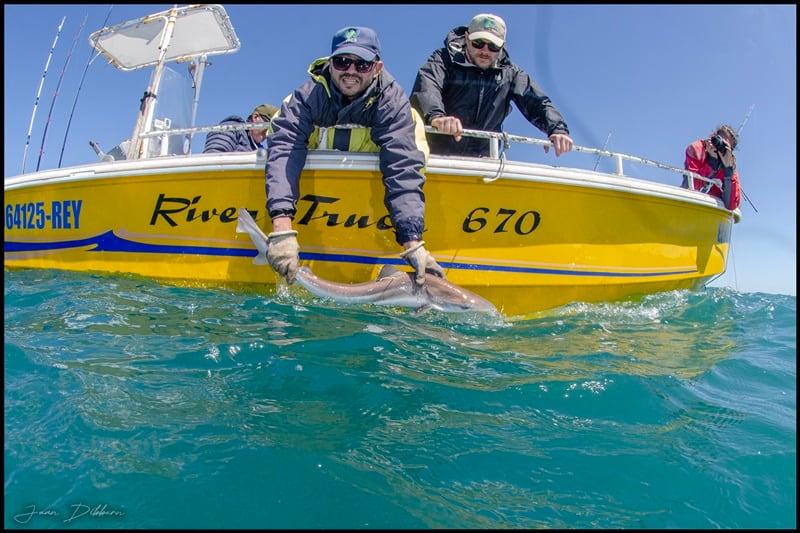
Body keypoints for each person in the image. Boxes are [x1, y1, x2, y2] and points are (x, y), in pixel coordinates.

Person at [263, 26, 445, 287]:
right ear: (330, 62)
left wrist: (413, 243)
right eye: (342, 61)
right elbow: (284, 152)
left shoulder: (393, 104)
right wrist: (281, 229)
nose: (350, 70)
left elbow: (402, 168)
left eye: (362, 64)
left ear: (377, 67)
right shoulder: (304, 98)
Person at [410, 13, 574, 158]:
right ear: (467, 38)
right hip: (436, 157)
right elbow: (427, 85)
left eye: (493, 46)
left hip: (483, 160)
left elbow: (537, 102)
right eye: (478, 43)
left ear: (502, 46)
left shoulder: (511, 74)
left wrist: (557, 130)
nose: (485, 51)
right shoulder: (444, 59)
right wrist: (437, 117)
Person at [682, 124, 741, 210]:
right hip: (690, 205)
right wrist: (712, 162)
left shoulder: (729, 162)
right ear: (712, 137)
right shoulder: (697, 149)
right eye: (719, 140)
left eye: (725, 146)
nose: (720, 147)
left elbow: (731, 205)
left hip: (713, 209)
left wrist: (729, 172)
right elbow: (691, 187)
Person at [203, 103, 278, 153]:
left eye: (273, 130)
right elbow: (213, 155)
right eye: (269, 125)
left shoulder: (261, 150)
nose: (270, 132)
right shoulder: (232, 128)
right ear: (255, 117)